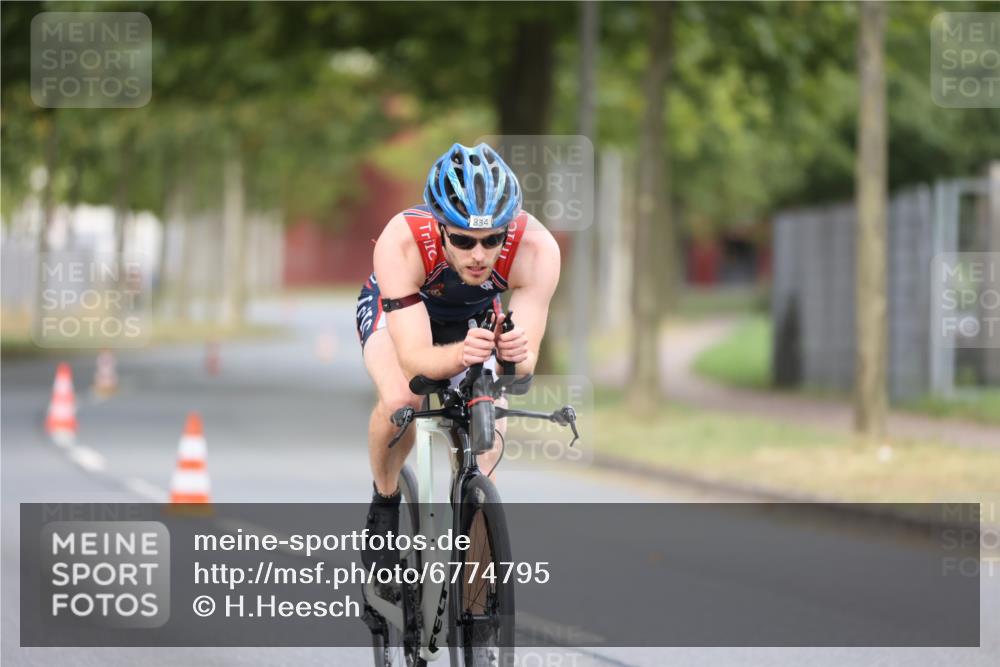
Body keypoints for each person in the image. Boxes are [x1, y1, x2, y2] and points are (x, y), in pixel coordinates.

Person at [355, 142, 561, 568]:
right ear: (441, 227)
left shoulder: (537, 249)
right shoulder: (403, 241)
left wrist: (511, 355)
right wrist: (460, 356)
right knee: (401, 400)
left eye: (492, 240)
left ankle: (476, 568)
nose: (479, 255)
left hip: (473, 315)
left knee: (490, 423)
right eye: (464, 240)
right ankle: (385, 502)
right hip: (403, 310)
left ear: (510, 229)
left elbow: (521, 368)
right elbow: (415, 361)